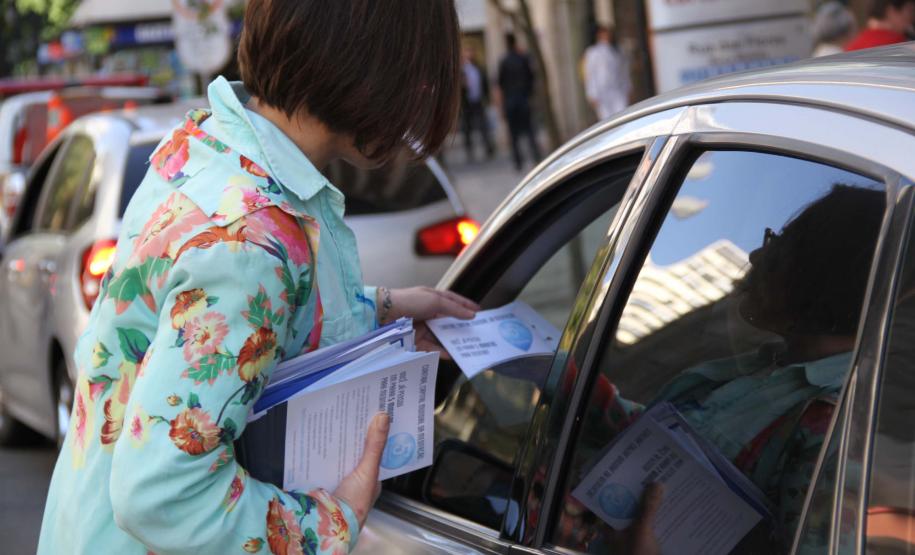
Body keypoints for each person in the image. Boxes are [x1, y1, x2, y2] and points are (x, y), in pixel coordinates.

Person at [37, 2, 478, 554]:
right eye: (419, 78)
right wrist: (333, 522)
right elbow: (162, 493)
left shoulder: (211, 145)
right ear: (367, 65)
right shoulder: (250, 240)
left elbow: (220, 317)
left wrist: (381, 308)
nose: (420, 100)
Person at [556, 184, 886, 553]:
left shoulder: (834, 423)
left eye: (780, 248)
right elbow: (662, 445)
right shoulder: (769, 365)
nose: (757, 255)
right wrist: (559, 377)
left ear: (823, 280)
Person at [497, 33, 542, 172]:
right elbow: (532, 79)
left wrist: (501, 106)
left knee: (514, 134)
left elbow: (500, 85)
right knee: (529, 131)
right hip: (523, 99)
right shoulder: (523, 59)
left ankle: (518, 162)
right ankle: (536, 157)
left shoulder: (504, 61)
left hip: (511, 101)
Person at [582, 26, 631, 120]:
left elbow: (624, 71)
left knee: (622, 115)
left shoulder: (617, 50)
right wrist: (591, 93)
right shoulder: (593, 52)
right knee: (606, 118)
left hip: (617, 89)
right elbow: (590, 74)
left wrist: (628, 86)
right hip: (601, 91)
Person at [461, 46, 495, 162]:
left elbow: (485, 84)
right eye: (467, 52)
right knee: (467, 128)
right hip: (466, 103)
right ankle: (469, 151)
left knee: (483, 126)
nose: (470, 55)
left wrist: (487, 98)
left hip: (478, 101)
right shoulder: (461, 70)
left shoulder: (478, 68)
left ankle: (489, 148)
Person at [845, 0, 915, 51]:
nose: (911, 18)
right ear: (892, 11)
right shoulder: (901, 45)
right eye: (910, 11)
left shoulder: (853, 46)